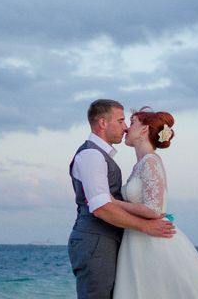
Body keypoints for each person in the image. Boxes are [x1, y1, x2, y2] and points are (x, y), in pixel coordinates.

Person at [68, 99, 176, 298]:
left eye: (128, 122)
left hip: (110, 241)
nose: (125, 127)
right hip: (96, 241)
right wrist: (146, 226)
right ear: (103, 123)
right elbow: (101, 208)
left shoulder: (105, 156)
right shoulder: (92, 155)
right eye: (120, 121)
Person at [112, 107, 198, 298]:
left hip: (151, 241)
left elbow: (154, 209)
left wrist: (113, 203)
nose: (126, 129)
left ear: (144, 130)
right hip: (136, 241)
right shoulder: (140, 164)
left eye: (132, 123)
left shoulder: (151, 162)